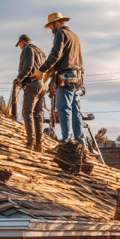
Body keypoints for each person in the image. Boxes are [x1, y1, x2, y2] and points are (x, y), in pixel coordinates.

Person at [37, 12, 84, 145]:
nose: (51, 30)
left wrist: (42, 70)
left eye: (51, 26)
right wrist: (49, 74)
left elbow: (55, 55)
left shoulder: (60, 34)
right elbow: (67, 58)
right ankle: (80, 141)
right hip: (77, 77)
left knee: (64, 108)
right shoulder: (75, 36)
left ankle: (67, 140)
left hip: (66, 76)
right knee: (76, 110)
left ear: (57, 23)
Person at [13, 34, 47, 152]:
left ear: (22, 42)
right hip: (42, 85)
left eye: (20, 45)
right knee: (38, 115)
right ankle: (39, 145)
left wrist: (19, 78)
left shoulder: (28, 49)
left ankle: (30, 143)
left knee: (27, 113)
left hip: (32, 84)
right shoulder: (40, 51)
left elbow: (28, 66)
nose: (20, 47)